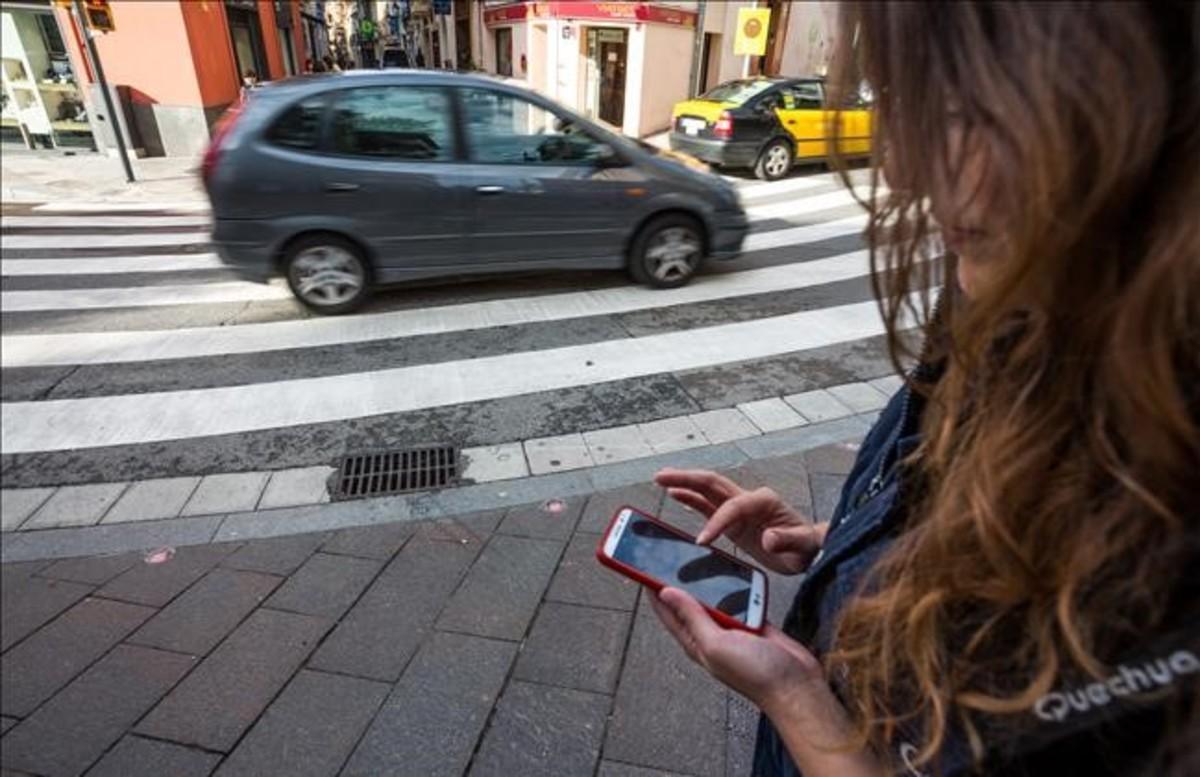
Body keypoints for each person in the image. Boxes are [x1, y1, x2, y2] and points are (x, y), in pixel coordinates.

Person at [647, 3, 1198, 776]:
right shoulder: (1007, 300)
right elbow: (969, 504)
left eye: (955, 107)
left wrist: (796, 701)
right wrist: (844, 544)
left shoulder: (1166, 556)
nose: (902, 169)